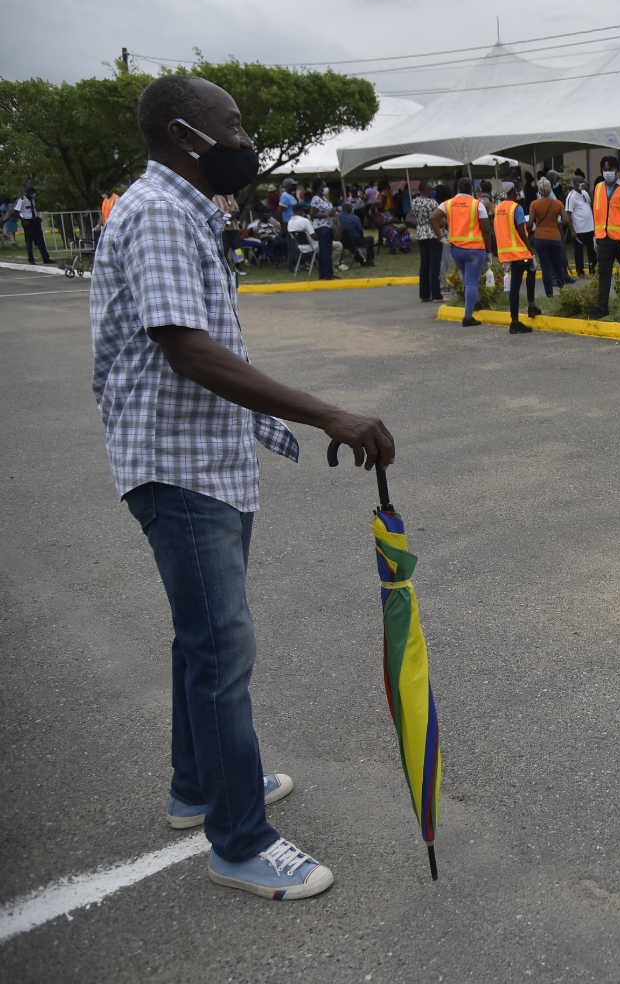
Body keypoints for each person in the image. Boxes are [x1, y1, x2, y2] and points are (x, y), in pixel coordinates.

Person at [91, 74, 394, 902]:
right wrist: (329, 413)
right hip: (177, 464)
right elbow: (187, 347)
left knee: (203, 640)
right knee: (222, 648)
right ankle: (240, 841)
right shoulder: (157, 214)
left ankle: (202, 786)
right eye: (233, 124)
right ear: (188, 134)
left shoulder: (186, 211)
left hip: (203, 458)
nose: (243, 138)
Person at [431, 176, 494, 327]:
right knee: (472, 282)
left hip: (456, 249)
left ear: (458, 189)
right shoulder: (477, 205)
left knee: (468, 280)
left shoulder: (448, 203)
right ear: (472, 189)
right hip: (475, 250)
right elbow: (486, 231)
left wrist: (441, 237)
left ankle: (475, 303)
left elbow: (433, 218)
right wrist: (489, 251)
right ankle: (468, 317)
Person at [593, 156, 620, 314]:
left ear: (617, 170)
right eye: (604, 169)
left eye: (610, 169)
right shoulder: (598, 187)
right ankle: (602, 307)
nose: (607, 172)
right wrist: (595, 234)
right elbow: (597, 211)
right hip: (603, 238)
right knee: (604, 274)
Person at [493, 187, 536, 333]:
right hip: (519, 252)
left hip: (506, 253)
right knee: (523, 279)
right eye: (516, 192)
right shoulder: (516, 208)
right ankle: (518, 320)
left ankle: (526, 311)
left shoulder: (498, 209)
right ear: (512, 193)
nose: (518, 195)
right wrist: (530, 249)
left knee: (519, 282)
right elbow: (521, 231)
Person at [528, 177, 568, 296]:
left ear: (539, 191)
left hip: (540, 238)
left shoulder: (534, 204)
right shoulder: (558, 203)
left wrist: (533, 227)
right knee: (558, 264)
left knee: (546, 267)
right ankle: (562, 290)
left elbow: (530, 223)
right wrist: (556, 223)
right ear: (550, 189)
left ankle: (549, 294)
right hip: (555, 237)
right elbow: (566, 220)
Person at [9, 182, 53, 265]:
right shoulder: (22, 200)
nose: (34, 195)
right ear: (27, 193)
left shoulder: (33, 200)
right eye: (32, 193)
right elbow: (16, 212)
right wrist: (23, 220)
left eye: (34, 193)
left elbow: (34, 209)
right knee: (29, 241)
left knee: (40, 240)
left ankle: (46, 258)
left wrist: (37, 217)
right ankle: (31, 259)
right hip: (27, 222)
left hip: (35, 221)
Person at [412, 185, 443, 302]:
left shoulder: (414, 202)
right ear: (427, 190)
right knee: (434, 265)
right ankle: (436, 294)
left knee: (424, 265)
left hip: (420, 233)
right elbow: (437, 218)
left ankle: (424, 294)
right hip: (432, 233)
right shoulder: (433, 202)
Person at [564, 174, 596, 278]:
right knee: (579, 252)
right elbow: (568, 214)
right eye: (579, 182)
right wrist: (572, 230)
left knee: (592, 251)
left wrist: (588, 190)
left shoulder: (585, 193)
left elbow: (590, 204)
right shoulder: (571, 196)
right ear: (574, 184)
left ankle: (593, 270)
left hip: (590, 228)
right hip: (579, 229)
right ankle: (580, 272)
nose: (581, 184)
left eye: (583, 181)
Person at [307, 183, 337, 279]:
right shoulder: (316, 199)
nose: (325, 188)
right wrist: (328, 214)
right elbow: (312, 214)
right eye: (323, 186)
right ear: (318, 188)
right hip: (321, 227)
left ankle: (329, 273)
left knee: (328, 251)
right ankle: (326, 274)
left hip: (328, 226)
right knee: (324, 251)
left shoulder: (325, 199)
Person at [335, 204, 374, 268]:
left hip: (342, 241)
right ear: (350, 209)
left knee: (353, 244)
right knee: (370, 239)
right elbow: (360, 231)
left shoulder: (337, 217)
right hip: (354, 241)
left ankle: (359, 258)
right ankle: (370, 260)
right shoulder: (355, 218)